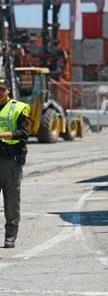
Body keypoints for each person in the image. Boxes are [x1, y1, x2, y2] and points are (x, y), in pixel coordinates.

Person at [0, 77, 30, 249]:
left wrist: (2, 135)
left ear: (8, 91)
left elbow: (24, 133)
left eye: (2, 90)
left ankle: (10, 236)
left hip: (11, 161)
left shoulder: (18, 108)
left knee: (11, 202)